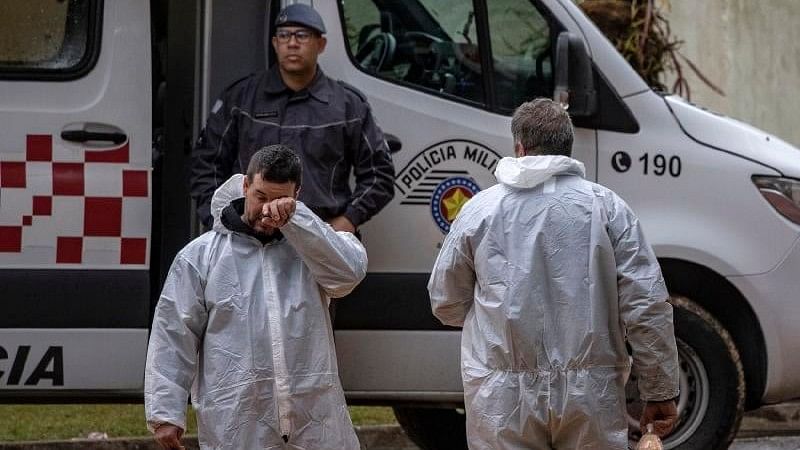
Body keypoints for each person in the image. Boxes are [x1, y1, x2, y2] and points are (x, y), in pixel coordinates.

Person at [428, 98, 680, 449]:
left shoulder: (478, 212)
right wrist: (659, 390)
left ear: (519, 148)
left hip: (501, 398)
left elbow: (445, 302)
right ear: (568, 147)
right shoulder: (607, 208)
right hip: (591, 394)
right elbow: (647, 305)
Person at [145, 145, 366, 449]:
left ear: (296, 195)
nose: (267, 210)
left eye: (279, 200)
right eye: (261, 197)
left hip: (315, 421)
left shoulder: (310, 249)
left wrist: (297, 219)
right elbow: (173, 333)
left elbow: (348, 275)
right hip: (238, 421)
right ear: (245, 185)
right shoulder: (202, 256)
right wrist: (165, 413)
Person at [191, 3, 394, 234]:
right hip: (250, 237)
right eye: (284, 35)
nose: (292, 43)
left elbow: (380, 176)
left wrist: (347, 221)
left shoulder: (348, 105)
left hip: (321, 237)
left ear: (321, 44)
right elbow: (205, 166)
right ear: (275, 43)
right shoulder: (241, 98)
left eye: (302, 35)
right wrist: (222, 221)